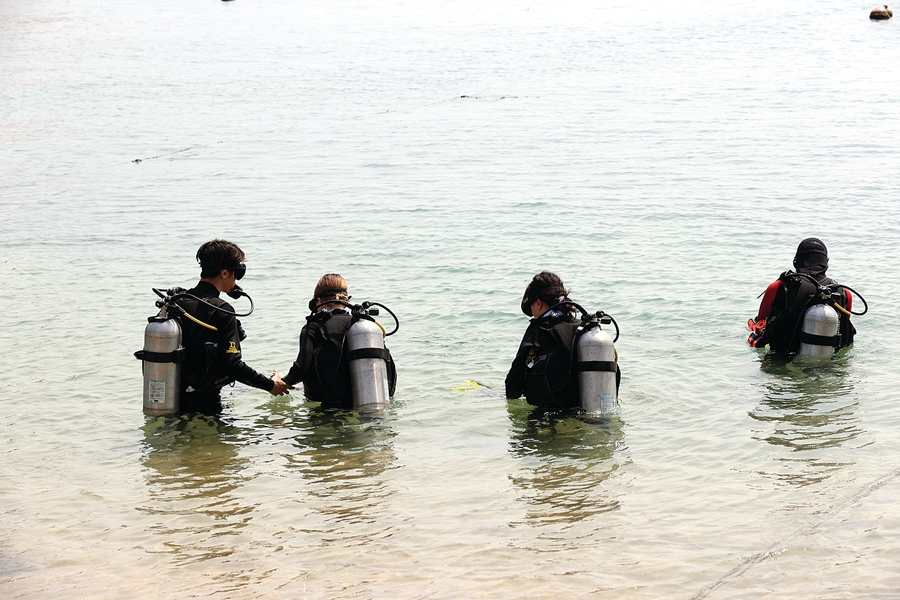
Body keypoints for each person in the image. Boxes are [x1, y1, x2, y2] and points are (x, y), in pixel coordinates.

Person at [175, 239, 289, 413]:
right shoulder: (222, 311)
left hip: (173, 397)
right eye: (237, 273)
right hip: (205, 405)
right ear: (225, 273)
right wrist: (270, 386)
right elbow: (232, 365)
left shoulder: (179, 301)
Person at [280, 274, 397, 409]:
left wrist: (282, 381)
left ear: (318, 301)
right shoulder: (364, 326)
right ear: (345, 299)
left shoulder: (313, 327)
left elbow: (302, 368)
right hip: (369, 402)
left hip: (328, 409)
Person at [747, 237, 855, 354]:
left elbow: (760, 325)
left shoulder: (778, 287)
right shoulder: (843, 293)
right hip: (829, 362)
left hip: (783, 359)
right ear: (826, 262)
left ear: (796, 261)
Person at [505, 271, 584, 410]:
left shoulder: (539, 330)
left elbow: (513, 385)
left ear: (538, 303)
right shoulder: (583, 327)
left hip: (552, 415)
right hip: (588, 409)